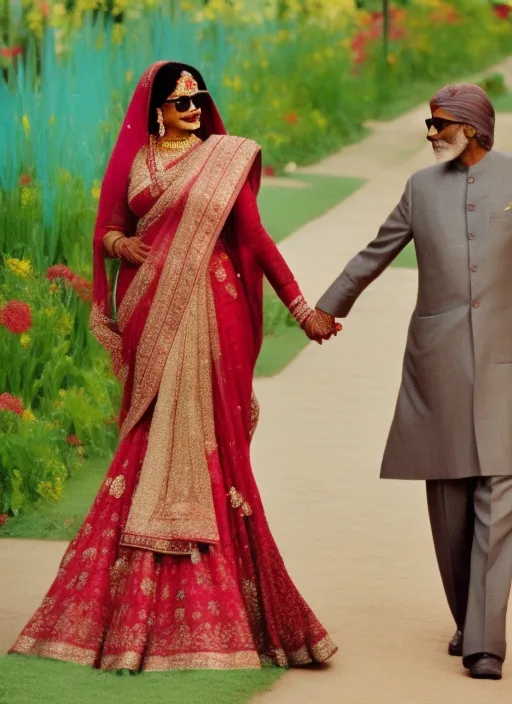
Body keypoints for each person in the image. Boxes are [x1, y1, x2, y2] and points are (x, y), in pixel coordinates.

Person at [9, 61, 339, 671]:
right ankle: (126, 596)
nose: (193, 109)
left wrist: (301, 307)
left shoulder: (223, 158)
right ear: (156, 108)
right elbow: (110, 226)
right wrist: (120, 246)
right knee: (144, 432)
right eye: (181, 102)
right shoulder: (135, 162)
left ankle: (227, 600)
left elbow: (258, 240)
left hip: (211, 317)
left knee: (212, 443)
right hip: (148, 313)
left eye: (198, 100)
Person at [314, 83, 512, 681]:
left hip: (507, 361)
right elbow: (376, 252)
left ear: (473, 128)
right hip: (440, 362)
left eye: (439, 125)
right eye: (429, 124)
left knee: (499, 496)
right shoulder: (420, 189)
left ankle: (485, 644)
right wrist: (327, 307)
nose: (430, 135)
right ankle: (467, 617)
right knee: (451, 504)